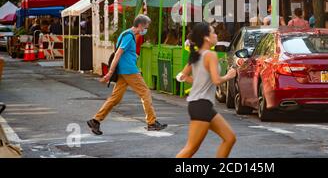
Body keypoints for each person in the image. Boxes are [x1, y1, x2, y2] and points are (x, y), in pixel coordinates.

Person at [87, 14, 167, 135]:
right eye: (146, 27)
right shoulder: (129, 36)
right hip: (129, 71)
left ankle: (96, 120)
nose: (146, 29)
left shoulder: (125, 33)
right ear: (140, 25)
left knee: (115, 98)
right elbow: (118, 53)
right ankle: (152, 122)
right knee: (145, 93)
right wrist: (110, 72)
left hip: (123, 71)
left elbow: (122, 53)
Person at [176, 22, 237, 158]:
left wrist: (198, 82)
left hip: (201, 105)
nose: (216, 35)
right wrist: (229, 75)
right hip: (201, 105)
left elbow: (181, 76)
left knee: (230, 138)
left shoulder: (197, 55)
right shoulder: (210, 55)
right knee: (190, 149)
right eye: (213, 32)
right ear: (207, 38)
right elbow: (216, 80)